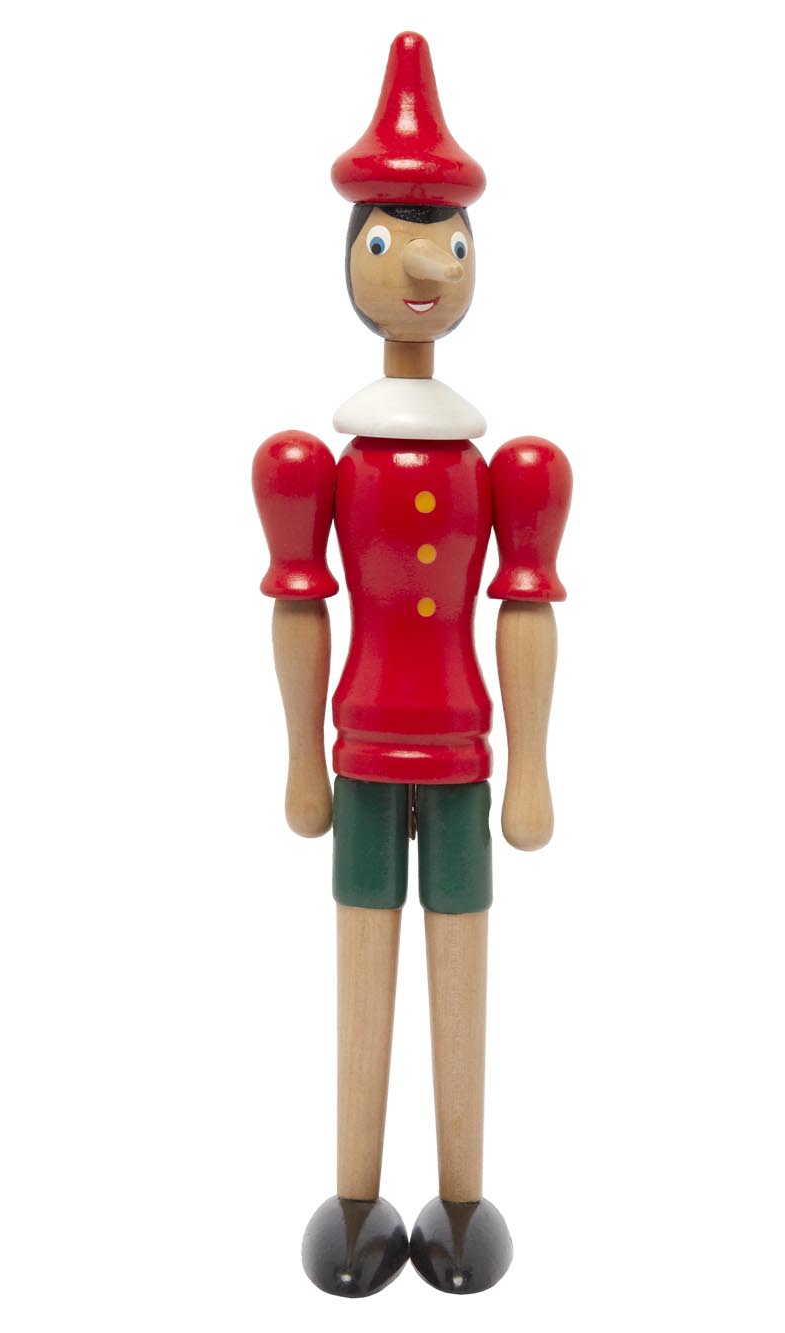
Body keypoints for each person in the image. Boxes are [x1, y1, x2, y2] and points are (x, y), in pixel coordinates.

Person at [253, 31, 571, 1297]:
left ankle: (460, 1198)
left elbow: (524, 609)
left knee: (460, 969)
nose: (425, 269)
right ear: (351, 262)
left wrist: (531, 767)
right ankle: (352, 1199)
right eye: (389, 244)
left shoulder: (508, 471)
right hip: (363, 754)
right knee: (362, 969)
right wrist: (300, 761)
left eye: (447, 242)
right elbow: (303, 605)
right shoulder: (318, 467)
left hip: (463, 756)